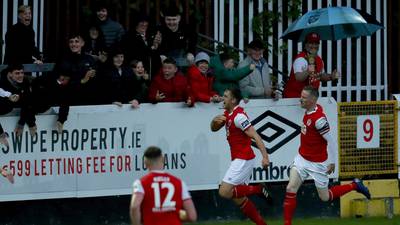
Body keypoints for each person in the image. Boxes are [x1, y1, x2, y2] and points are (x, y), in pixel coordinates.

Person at [283, 86, 371, 225]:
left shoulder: (319, 120)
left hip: (318, 163)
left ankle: (355, 185)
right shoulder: (309, 110)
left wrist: (332, 161)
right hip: (302, 159)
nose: (301, 99)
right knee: (290, 188)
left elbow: (332, 142)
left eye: (304, 97)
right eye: (301, 96)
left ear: (312, 100)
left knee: (325, 197)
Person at [210, 87, 272, 225]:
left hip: (243, 159)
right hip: (239, 159)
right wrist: (214, 121)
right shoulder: (227, 114)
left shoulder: (239, 117)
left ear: (233, 100)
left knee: (224, 192)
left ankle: (258, 189)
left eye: (225, 96)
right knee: (239, 198)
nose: (222, 98)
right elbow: (213, 129)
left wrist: (265, 157)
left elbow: (255, 135)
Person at [130, 146, 197, 225]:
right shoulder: (179, 183)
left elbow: (135, 206)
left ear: (145, 163)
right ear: (163, 160)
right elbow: (192, 216)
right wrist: (177, 214)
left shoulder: (141, 183)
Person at [283, 32, 339, 98]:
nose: (314, 46)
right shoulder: (301, 59)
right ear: (305, 45)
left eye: (316, 43)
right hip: (293, 99)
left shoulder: (319, 60)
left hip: (310, 99)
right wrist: (309, 69)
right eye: (311, 43)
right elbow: (299, 78)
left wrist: (331, 77)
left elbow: (321, 76)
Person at [0, 64, 36, 136]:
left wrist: (25, 123)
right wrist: (0, 133)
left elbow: (28, 102)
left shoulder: (25, 81)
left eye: (22, 72)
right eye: (17, 73)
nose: (20, 75)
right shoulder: (2, 83)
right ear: (10, 74)